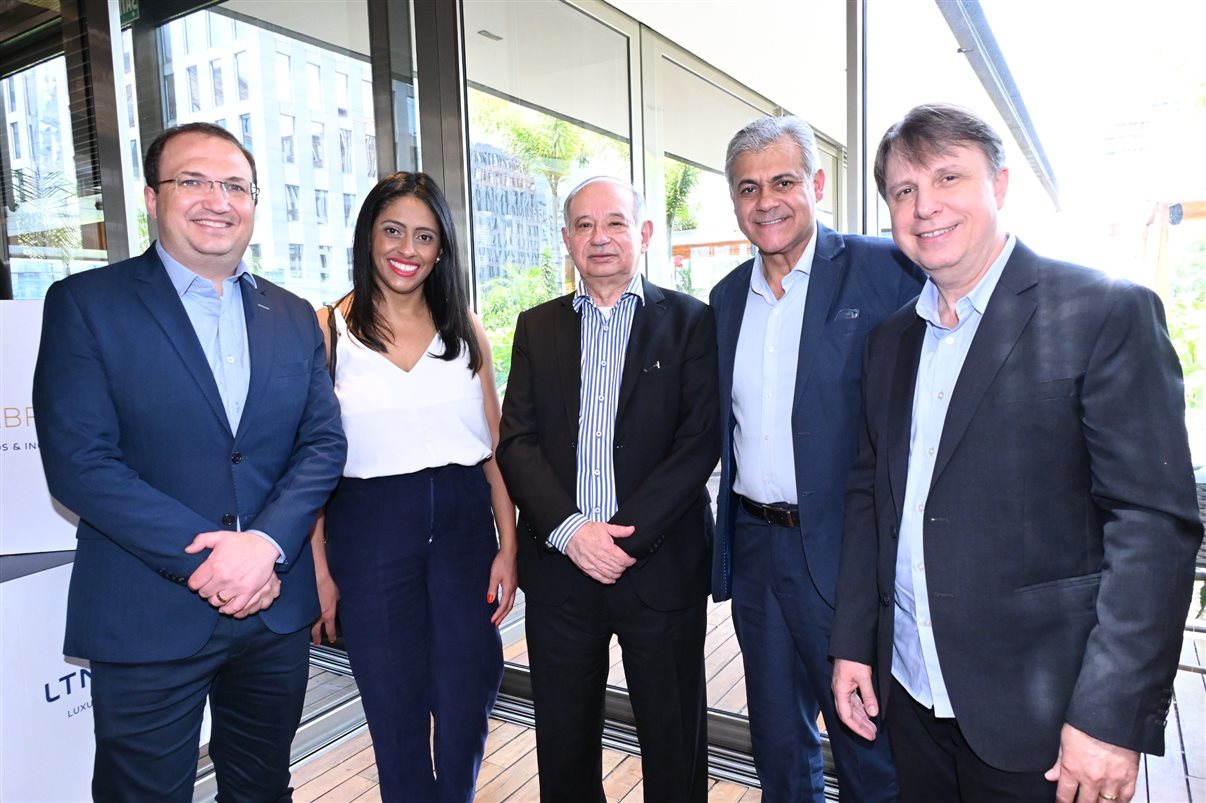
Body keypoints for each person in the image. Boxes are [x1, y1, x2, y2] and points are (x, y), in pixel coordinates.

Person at [829, 103, 1201, 803]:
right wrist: (854, 639)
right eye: (904, 191)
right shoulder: (888, 343)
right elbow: (868, 498)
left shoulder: (1102, 313)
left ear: (999, 185)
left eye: (947, 177)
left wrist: (1110, 716)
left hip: (1045, 723)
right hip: (910, 693)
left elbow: (1153, 527)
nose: (925, 206)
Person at [32, 121, 347, 802]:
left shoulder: (294, 316)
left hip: (273, 607)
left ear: (255, 203)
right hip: (147, 607)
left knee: (262, 787)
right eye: (193, 181)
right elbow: (81, 463)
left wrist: (263, 545)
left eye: (235, 185)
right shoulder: (86, 305)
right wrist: (215, 559)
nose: (218, 199)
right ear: (152, 197)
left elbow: (323, 444)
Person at [709, 115, 922, 802]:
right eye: (748, 188)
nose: (765, 200)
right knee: (778, 745)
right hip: (756, 551)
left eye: (782, 181)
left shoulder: (883, 270)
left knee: (867, 748)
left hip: (846, 553)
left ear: (817, 184)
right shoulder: (724, 300)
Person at [496, 176, 720, 803]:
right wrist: (572, 533)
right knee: (564, 750)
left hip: (661, 569)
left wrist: (622, 538)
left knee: (674, 748)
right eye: (585, 225)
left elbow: (699, 442)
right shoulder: (536, 327)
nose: (601, 238)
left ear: (643, 234)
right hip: (561, 574)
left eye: (616, 223)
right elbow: (516, 442)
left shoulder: (691, 322)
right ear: (565, 239)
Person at [307, 171, 517, 802]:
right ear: (368, 235)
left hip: (462, 529)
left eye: (425, 236)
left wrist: (509, 545)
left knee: (468, 690)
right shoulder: (326, 331)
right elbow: (313, 462)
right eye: (393, 230)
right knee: (393, 705)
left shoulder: (466, 330)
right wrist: (318, 568)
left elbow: (496, 451)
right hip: (368, 531)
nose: (408, 248)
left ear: (442, 249)